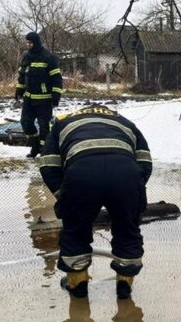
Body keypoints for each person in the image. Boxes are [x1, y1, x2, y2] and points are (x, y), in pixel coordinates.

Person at [38, 103, 152, 300]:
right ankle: (124, 284)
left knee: (76, 231)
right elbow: (145, 160)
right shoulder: (124, 122)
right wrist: (135, 190)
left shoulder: (62, 123)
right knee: (127, 229)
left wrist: (63, 194)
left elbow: (48, 163)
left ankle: (78, 284)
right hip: (126, 174)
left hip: (81, 174)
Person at [15, 31, 63, 158]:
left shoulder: (48, 57)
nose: (28, 45)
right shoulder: (26, 57)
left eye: (30, 43)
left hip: (44, 100)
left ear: (36, 42)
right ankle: (35, 146)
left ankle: (44, 150)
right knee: (25, 122)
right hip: (29, 99)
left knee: (44, 126)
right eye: (27, 43)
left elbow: (57, 78)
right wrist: (19, 90)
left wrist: (56, 96)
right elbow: (22, 76)